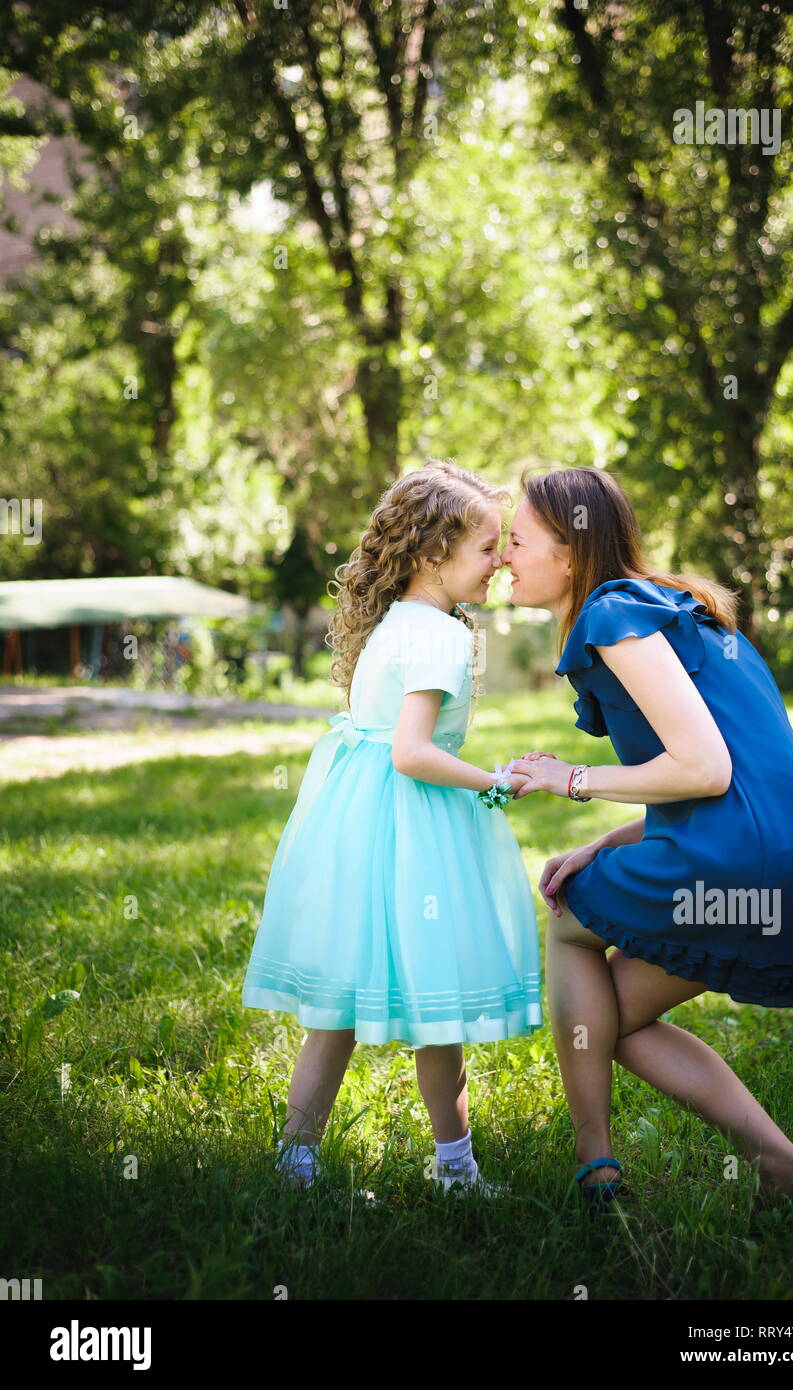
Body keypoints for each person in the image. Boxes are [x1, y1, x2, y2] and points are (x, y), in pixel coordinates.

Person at [503, 465, 793, 1221]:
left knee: (567, 930)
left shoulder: (610, 613)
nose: (502, 556)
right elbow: (719, 781)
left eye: (516, 540)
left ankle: (593, 1164)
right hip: (782, 864)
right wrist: (602, 843)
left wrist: (570, 779)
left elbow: (700, 767)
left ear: (569, 551)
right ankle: (789, 1173)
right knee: (611, 1022)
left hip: (734, 863)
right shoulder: (669, 610)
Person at [242, 459, 542, 1198]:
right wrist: (495, 781)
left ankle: (296, 1158)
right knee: (437, 1005)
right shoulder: (438, 635)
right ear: (431, 555)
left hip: (359, 822)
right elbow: (413, 752)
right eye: (485, 548)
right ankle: (455, 1169)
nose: (499, 563)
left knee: (336, 1004)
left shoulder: (395, 623)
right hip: (412, 827)